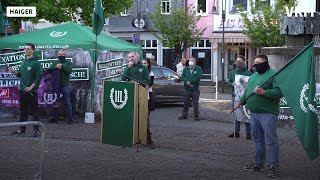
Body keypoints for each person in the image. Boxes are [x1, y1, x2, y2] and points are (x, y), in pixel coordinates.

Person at [236, 54, 282, 178]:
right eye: (255, 63)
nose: (256, 65)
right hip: (254, 113)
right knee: (257, 139)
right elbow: (247, 91)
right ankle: (258, 163)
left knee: (271, 141)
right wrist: (241, 101)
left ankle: (273, 166)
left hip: (268, 113)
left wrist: (264, 92)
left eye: (259, 63)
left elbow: (279, 92)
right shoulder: (254, 75)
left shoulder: (273, 74)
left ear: (265, 63)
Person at [9, 43, 43, 137]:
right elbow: (20, 75)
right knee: (23, 111)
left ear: (33, 50)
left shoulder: (36, 63)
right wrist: (14, 72)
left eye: (28, 49)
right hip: (22, 90)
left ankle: (36, 130)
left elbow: (39, 76)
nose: (26, 51)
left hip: (32, 91)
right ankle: (22, 129)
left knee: (34, 111)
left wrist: (31, 87)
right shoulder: (23, 62)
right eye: (25, 49)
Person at [121, 52, 151, 144]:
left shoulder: (143, 67)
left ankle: (147, 138)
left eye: (132, 56)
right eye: (129, 57)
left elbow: (147, 80)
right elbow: (123, 78)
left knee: (144, 118)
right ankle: (130, 137)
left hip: (142, 95)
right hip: (131, 95)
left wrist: (138, 82)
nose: (131, 58)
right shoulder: (128, 68)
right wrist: (128, 68)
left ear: (136, 57)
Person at [227, 55, 252, 139]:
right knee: (236, 114)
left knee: (246, 114)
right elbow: (229, 82)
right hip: (235, 96)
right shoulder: (233, 72)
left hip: (245, 97)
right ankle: (236, 132)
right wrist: (232, 84)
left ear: (244, 62)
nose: (238, 63)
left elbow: (251, 84)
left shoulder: (248, 73)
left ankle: (249, 133)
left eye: (240, 62)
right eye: (237, 61)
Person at [48, 50, 73, 124]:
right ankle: (55, 118)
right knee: (55, 102)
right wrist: (55, 67)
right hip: (56, 86)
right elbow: (50, 71)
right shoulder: (54, 62)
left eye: (62, 54)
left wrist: (62, 67)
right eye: (59, 54)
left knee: (68, 102)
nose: (61, 55)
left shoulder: (68, 62)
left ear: (64, 55)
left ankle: (70, 119)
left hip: (65, 85)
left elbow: (69, 71)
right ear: (57, 55)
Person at [142, 58, 155, 145]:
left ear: (148, 64)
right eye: (142, 63)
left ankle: (148, 138)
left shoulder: (150, 73)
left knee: (146, 118)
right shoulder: (139, 73)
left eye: (145, 63)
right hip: (139, 96)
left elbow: (148, 84)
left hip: (148, 96)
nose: (143, 65)